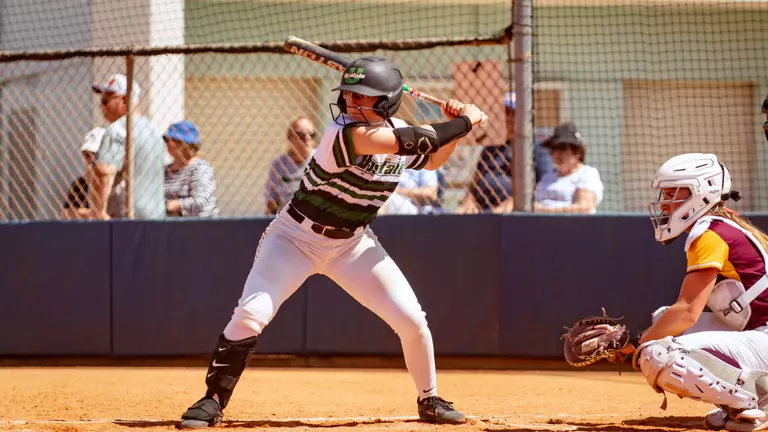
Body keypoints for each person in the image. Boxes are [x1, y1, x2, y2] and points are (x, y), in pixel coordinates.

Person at [178, 56, 486, 429]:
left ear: (386, 102)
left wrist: (458, 129)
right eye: (349, 96)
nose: (351, 103)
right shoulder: (343, 133)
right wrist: (465, 120)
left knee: (412, 320)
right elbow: (419, 138)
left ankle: (429, 398)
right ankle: (212, 401)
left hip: (352, 245)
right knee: (251, 314)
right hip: (294, 238)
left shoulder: (397, 131)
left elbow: (434, 158)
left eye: (363, 97)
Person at [620, 153, 768, 431]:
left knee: (656, 353)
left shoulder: (709, 233)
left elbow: (687, 312)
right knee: (663, 321)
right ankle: (750, 397)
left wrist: (635, 343)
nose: (665, 202)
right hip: (761, 335)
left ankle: (757, 402)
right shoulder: (729, 226)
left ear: (702, 192)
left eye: (674, 192)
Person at [456, 91, 552, 214]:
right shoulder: (492, 147)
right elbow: (476, 181)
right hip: (483, 210)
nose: (506, 118)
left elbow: (544, 184)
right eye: (504, 113)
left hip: (515, 212)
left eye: (511, 113)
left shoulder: (537, 147)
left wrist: (515, 201)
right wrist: (468, 202)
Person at [89, 73, 166, 219]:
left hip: (125, 219)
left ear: (124, 100)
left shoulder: (118, 129)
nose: (101, 105)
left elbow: (104, 171)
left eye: (105, 101)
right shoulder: (155, 131)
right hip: (157, 217)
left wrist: (98, 213)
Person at [533, 122, 603, 214]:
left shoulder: (587, 174)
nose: (556, 154)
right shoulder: (547, 177)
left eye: (562, 148)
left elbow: (584, 208)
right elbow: (529, 202)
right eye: (553, 149)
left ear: (577, 152)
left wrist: (546, 211)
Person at [164, 120, 220, 217]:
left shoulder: (200, 167)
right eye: (166, 140)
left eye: (171, 140)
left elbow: (201, 201)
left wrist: (174, 205)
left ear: (185, 144)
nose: (167, 143)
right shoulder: (165, 170)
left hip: (199, 226)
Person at [264, 116, 317, 215]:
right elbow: (272, 202)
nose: (307, 138)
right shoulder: (279, 164)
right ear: (290, 138)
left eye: (311, 134)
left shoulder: (321, 160)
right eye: (300, 134)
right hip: (287, 218)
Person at [61, 127, 106, 220]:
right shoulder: (81, 184)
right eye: (87, 155)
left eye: (96, 154)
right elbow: (67, 213)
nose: (92, 159)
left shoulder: (119, 182)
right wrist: (94, 214)